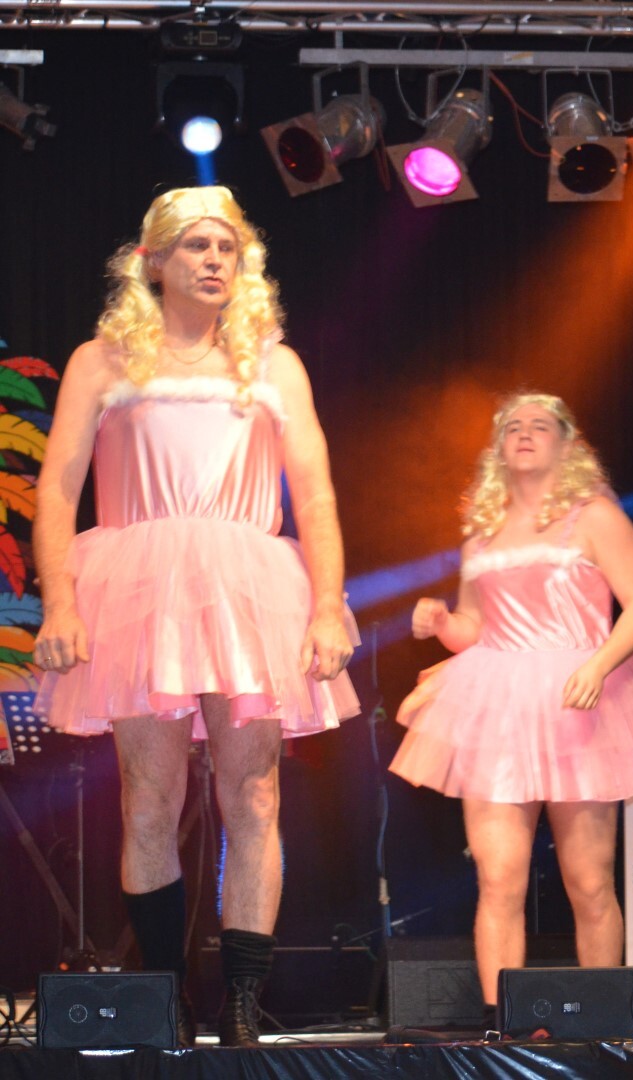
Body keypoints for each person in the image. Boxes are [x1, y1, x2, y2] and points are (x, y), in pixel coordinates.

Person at [31, 186, 360, 1046]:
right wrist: (59, 599)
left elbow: (316, 494)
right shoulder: (102, 360)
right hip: (140, 586)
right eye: (195, 245)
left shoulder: (273, 363)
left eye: (226, 247)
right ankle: (166, 999)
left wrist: (329, 605)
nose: (214, 260)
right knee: (149, 796)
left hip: (248, 583)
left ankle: (243, 1003)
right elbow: (58, 487)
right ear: (152, 261)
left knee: (254, 792)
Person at [389, 392, 633, 1020]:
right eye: (512, 426)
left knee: (588, 880)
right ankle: (500, 1023)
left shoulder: (594, 516)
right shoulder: (483, 530)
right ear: (498, 449)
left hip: (578, 701)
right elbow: (475, 627)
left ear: (567, 443)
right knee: (498, 879)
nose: (525, 433)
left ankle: (604, 1021)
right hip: (497, 707)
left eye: (540, 425)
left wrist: (599, 665)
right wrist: (442, 621)